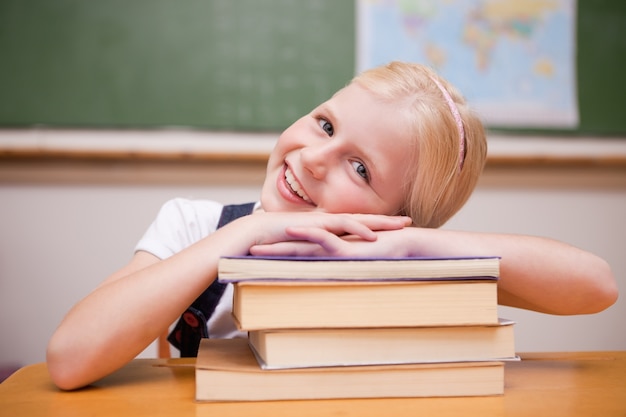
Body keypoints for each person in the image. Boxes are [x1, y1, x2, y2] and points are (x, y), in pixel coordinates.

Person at [46, 61, 618, 390]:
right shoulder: (195, 224)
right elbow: (70, 359)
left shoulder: (399, 260)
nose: (316, 158)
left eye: (362, 167)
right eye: (325, 125)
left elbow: (596, 286)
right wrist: (237, 237)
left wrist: (413, 243)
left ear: (395, 215)